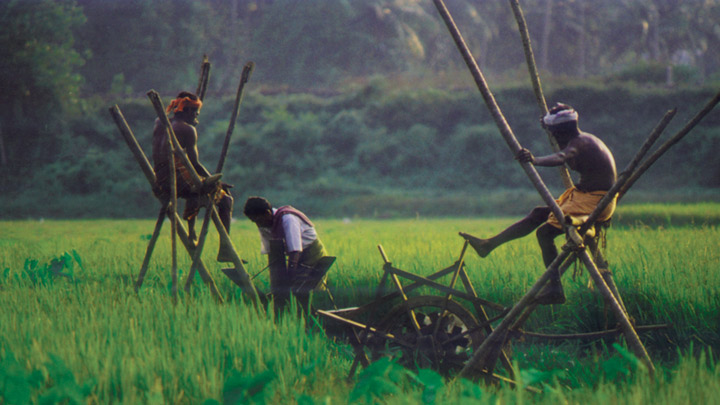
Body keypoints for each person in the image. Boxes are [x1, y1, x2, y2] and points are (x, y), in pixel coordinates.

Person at [460, 103, 617, 304]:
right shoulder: (578, 138)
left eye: (555, 134)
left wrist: (535, 160)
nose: (555, 139)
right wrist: (547, 120)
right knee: (538, 213)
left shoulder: (580, 144)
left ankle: (555, 289)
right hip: (585, 196)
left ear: (562, 131)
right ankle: (488, 245)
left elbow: (561, 157)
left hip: (596, 202)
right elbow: (560, 143)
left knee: (544, 233)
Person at [151, 91, 235, 262]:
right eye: (196, 113)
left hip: (160, 180)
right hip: (177, 181)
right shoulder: (187, 129)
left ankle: (192, 232)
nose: (197, 117)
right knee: (226, 200)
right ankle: (225, 249)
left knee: (199, 185)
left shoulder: (160, 122)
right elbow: (195, 164)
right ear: (188, 111)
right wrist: (215, 181)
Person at [243, 196, 331, 310]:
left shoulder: (288, 219)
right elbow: (272, 251)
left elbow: (295, 249)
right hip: (296, 256)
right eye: (254, 222)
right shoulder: (265, 225)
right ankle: (295, 314)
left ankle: (308, 316)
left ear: (268, 213)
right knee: (285, 290)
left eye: (259, 220)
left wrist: (290, 275)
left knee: (302, 289)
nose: (258, 225)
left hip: (311, 254)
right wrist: (277, 278)